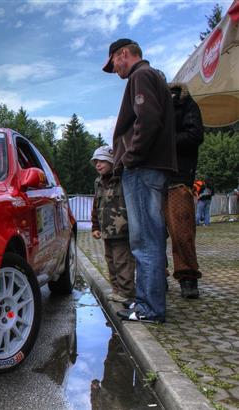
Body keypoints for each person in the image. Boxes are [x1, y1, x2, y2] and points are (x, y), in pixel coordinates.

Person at [103, 38, 177, 323]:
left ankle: (149, 307)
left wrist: (130, 158)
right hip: (150, 167)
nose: (115, 70)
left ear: (123, 54)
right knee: (148, 238)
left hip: (143, 168)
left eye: (113, 64)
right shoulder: (151, 76)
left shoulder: (141, 75)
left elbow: (148, 120)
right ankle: (147, 302)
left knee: (145, 240)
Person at [165, 82, 204, 298]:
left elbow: (195, 135)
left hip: (178, 177)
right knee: (153, 234)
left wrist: (165, 141)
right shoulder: (152, 107)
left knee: (182, 231)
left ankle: (187, 277)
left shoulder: (185, 104)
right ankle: (158, 276)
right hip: (153, 179)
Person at [90, 146, 136, 304]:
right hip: (106, 231)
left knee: (122, 261)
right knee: (110, 260)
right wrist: (95, 226)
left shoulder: (121, 179)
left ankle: (127, 292)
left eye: (102, 161)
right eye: (96, 161)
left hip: (122, 230)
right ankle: (116, 289)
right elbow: (96, 205)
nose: (98, 164)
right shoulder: (98, 182)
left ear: (112, 161)